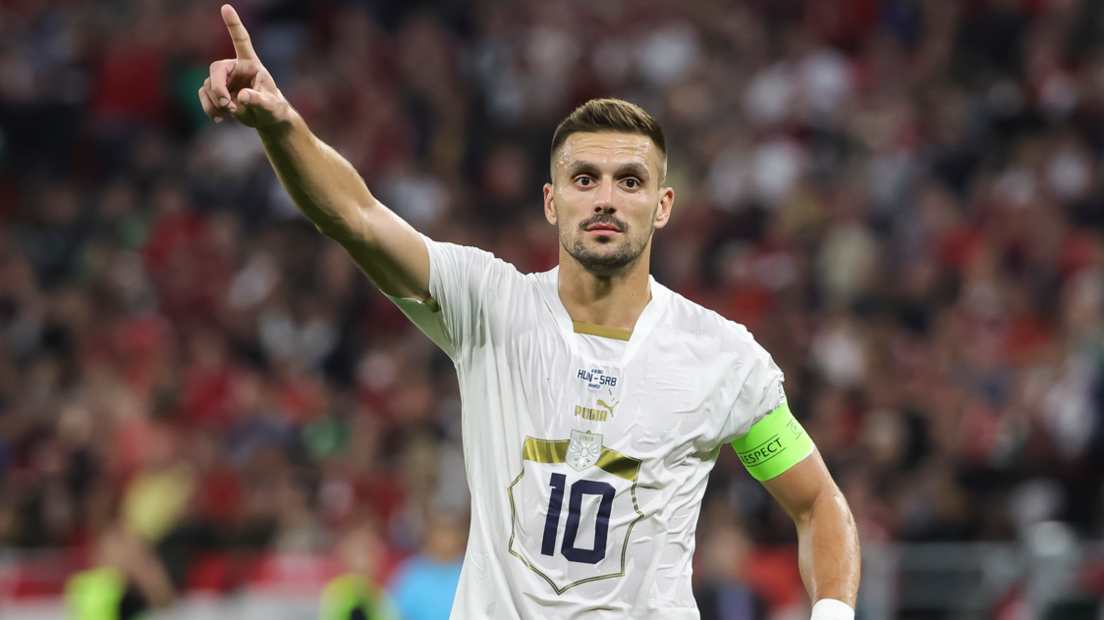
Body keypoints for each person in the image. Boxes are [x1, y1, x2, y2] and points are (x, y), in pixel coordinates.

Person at [198, 6, 861, 618]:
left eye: (630, 181)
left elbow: (817, 504)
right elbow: (359, 220)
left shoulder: (723, 355)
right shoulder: (488, 302)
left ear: (661, 206)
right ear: (551, 202)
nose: (606, 198)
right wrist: (283, 125)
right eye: (584, 179)